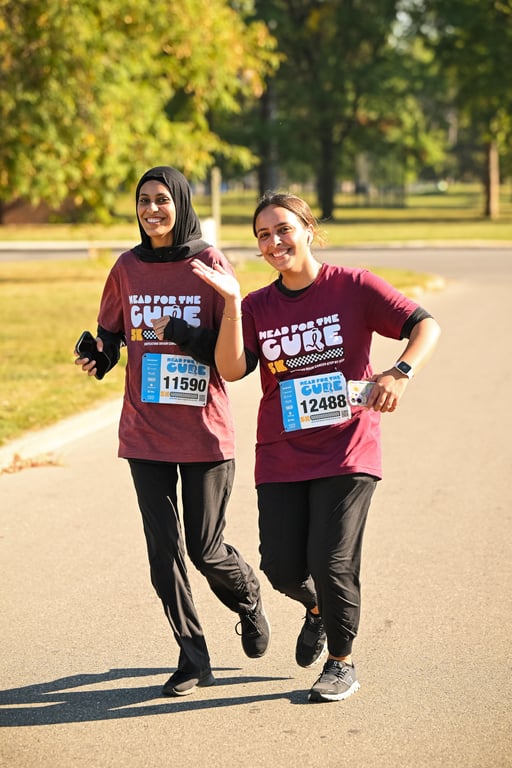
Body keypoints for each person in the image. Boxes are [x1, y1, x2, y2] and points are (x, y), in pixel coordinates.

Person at [191, 192, 441, 703]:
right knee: (282, 566)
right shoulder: (258, 305)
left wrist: (400, 371)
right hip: (281, 452)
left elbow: (425, 325)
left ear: (308, 229)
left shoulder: (353, 286)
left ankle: (341, 663)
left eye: (282, 228)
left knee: (332, 560)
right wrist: (235, 304)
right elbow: (234, 369)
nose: (273, 241)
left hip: (348, 447)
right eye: (263, 235)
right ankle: (320, 609)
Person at [75, 166, 270, 697]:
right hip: (145, 431)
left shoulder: (207, 263)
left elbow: (233, 356)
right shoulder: (128, 267)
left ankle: (248, 597)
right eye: (143, 201)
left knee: (206, 550)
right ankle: (192, 657)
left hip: (203, 431)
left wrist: (179, 331)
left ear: (181, 203)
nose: (152, 210)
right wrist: (98, 354)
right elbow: (114, 335)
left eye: (162, 200)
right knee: (164, 551)